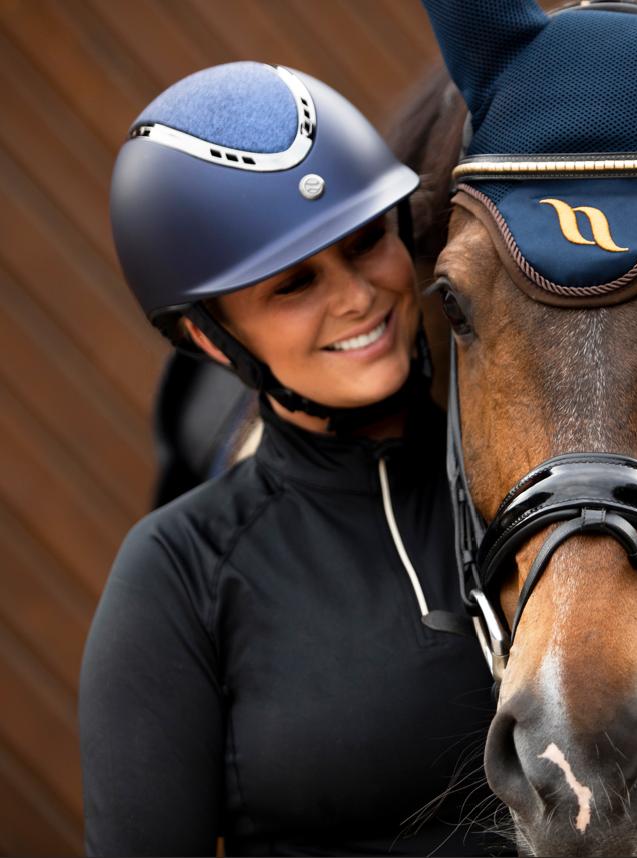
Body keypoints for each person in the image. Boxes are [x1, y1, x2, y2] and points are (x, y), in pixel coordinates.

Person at [79, 61, 501, 857]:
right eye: (294, 284)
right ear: (209, 337)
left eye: (365, 239)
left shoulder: (527, 484)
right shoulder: (180, 572)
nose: (356, 297)